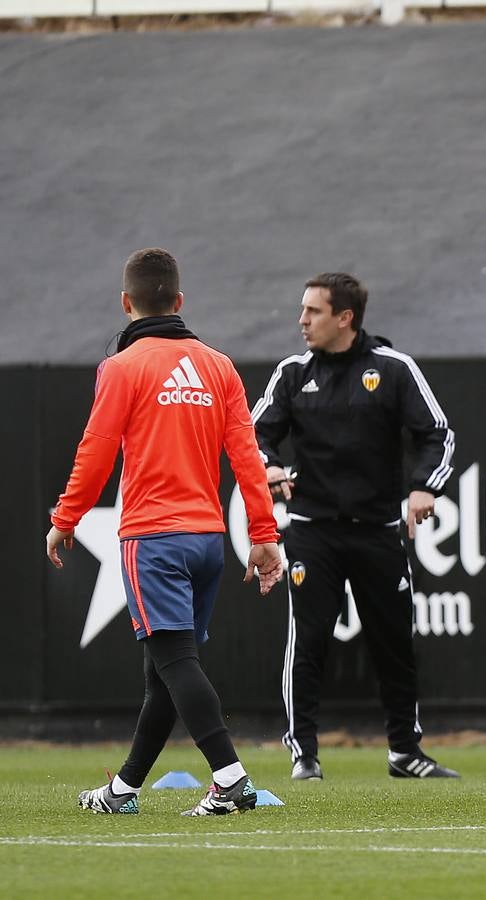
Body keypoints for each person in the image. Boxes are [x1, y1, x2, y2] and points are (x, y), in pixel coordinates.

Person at [47, 248, 284, 817]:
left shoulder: (122, 368)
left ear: (126, 303)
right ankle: (124, 791)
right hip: (206, 541)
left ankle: (230, 780)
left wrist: (64, 519)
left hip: (152, 538)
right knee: (165, 671)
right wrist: (263, 533)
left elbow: (96, 451)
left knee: (175, 664)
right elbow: (247, 458)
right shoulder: (219, 366)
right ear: (179, 302)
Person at [251, 272, 458, 781]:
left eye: (313, 312)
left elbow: (438, 435)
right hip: (312, 532)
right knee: (309, 640)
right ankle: (304, 754)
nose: (301, 321)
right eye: (302, 310)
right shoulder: (293, 373)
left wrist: (424, 486)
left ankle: (405, 753)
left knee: (394, 641)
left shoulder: (393, 368)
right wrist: (269, 465)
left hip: (378, 530)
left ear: (345, 318)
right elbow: (251, 436)